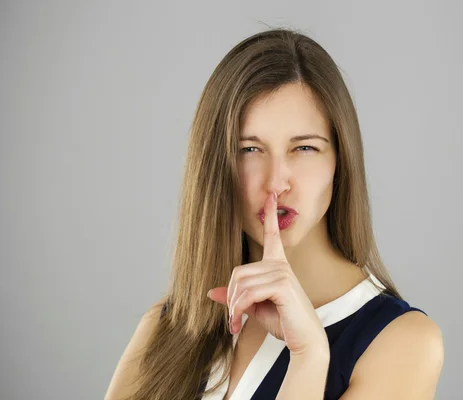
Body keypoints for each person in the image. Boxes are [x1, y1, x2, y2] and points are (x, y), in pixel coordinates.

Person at [105, 27, 444, 400]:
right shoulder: (166, 326)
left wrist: (309, 357)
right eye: (250, 150)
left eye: (304, 149)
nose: (276, 182)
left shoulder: (403, 343)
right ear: (215, 166)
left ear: (340, 162)